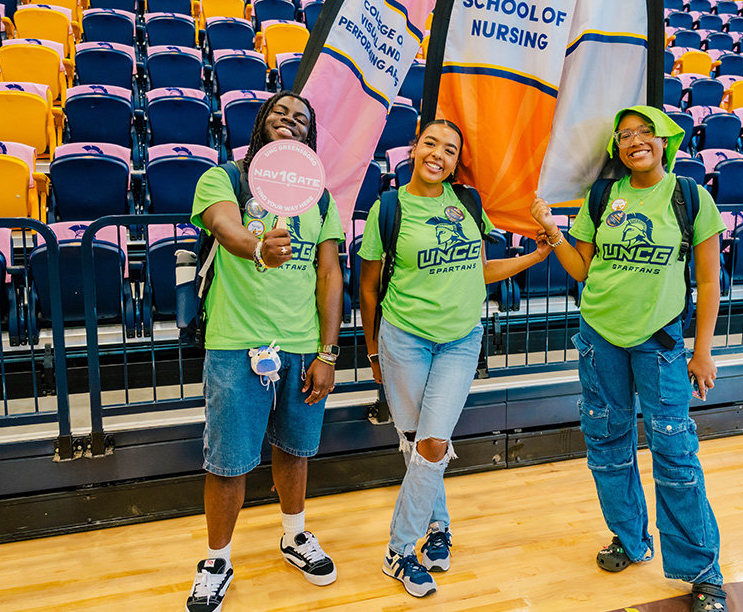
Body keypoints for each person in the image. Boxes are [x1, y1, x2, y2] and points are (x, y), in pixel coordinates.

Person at [530, 106, 729, 612]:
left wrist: (702, 349)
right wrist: (552, 231)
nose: (634, 141)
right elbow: (581, 268)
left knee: (676, 454)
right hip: (599, 338)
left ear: (665, 141)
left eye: (644, 133)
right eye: (624, 136)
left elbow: (709, 281)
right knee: (607, 442)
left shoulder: (689, 197)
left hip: (660, 343)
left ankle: (703, 571)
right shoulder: (604, 197)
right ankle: (629, 538)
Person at [357, 119, 552, 598]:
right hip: (404, 339)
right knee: (418, 440)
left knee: (432, 443)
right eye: (430, 144)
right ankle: (437, 525)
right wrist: (373, 349)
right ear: (414, 148)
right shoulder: (389, 208)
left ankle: (399, 550)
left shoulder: (467, 203)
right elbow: (366, 287)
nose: (438, 155)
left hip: (461, 339)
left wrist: (531, 258)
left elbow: (479, 269)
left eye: (449, 149)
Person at [186, 91, 345, 612]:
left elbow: (328, 274)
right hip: (237, 342)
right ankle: (217, 560)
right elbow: (227, 229)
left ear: (309, 136)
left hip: (301, 345)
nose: (290, 121)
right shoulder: (225, 178)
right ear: (261, 122)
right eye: (280, 113)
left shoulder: (320, 199)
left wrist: (328, 352)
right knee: (228, 461)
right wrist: (257, 247)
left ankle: (294, 536)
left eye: (301, 118)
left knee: (295, 450)